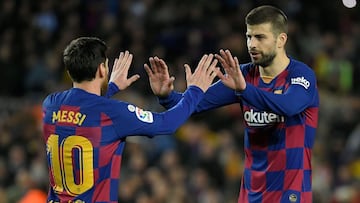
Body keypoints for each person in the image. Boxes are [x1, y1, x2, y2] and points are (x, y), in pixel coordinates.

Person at [145, 5, 319, 203]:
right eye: (249, 37)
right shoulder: (243, 76)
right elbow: (195, 105)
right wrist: (167, 96)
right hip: (251, 195)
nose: (252, 44)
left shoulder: (300, 75)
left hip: (290, 194)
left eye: (260, 37)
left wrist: (244, 90)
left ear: (281, 40)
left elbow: (289, 105)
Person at [42, 36, 219, 202]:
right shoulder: (114, 112)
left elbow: (86, 111)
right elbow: (167, 124)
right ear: (102, 69)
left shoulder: (50, 105)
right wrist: (195, 91)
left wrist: (111, 87)